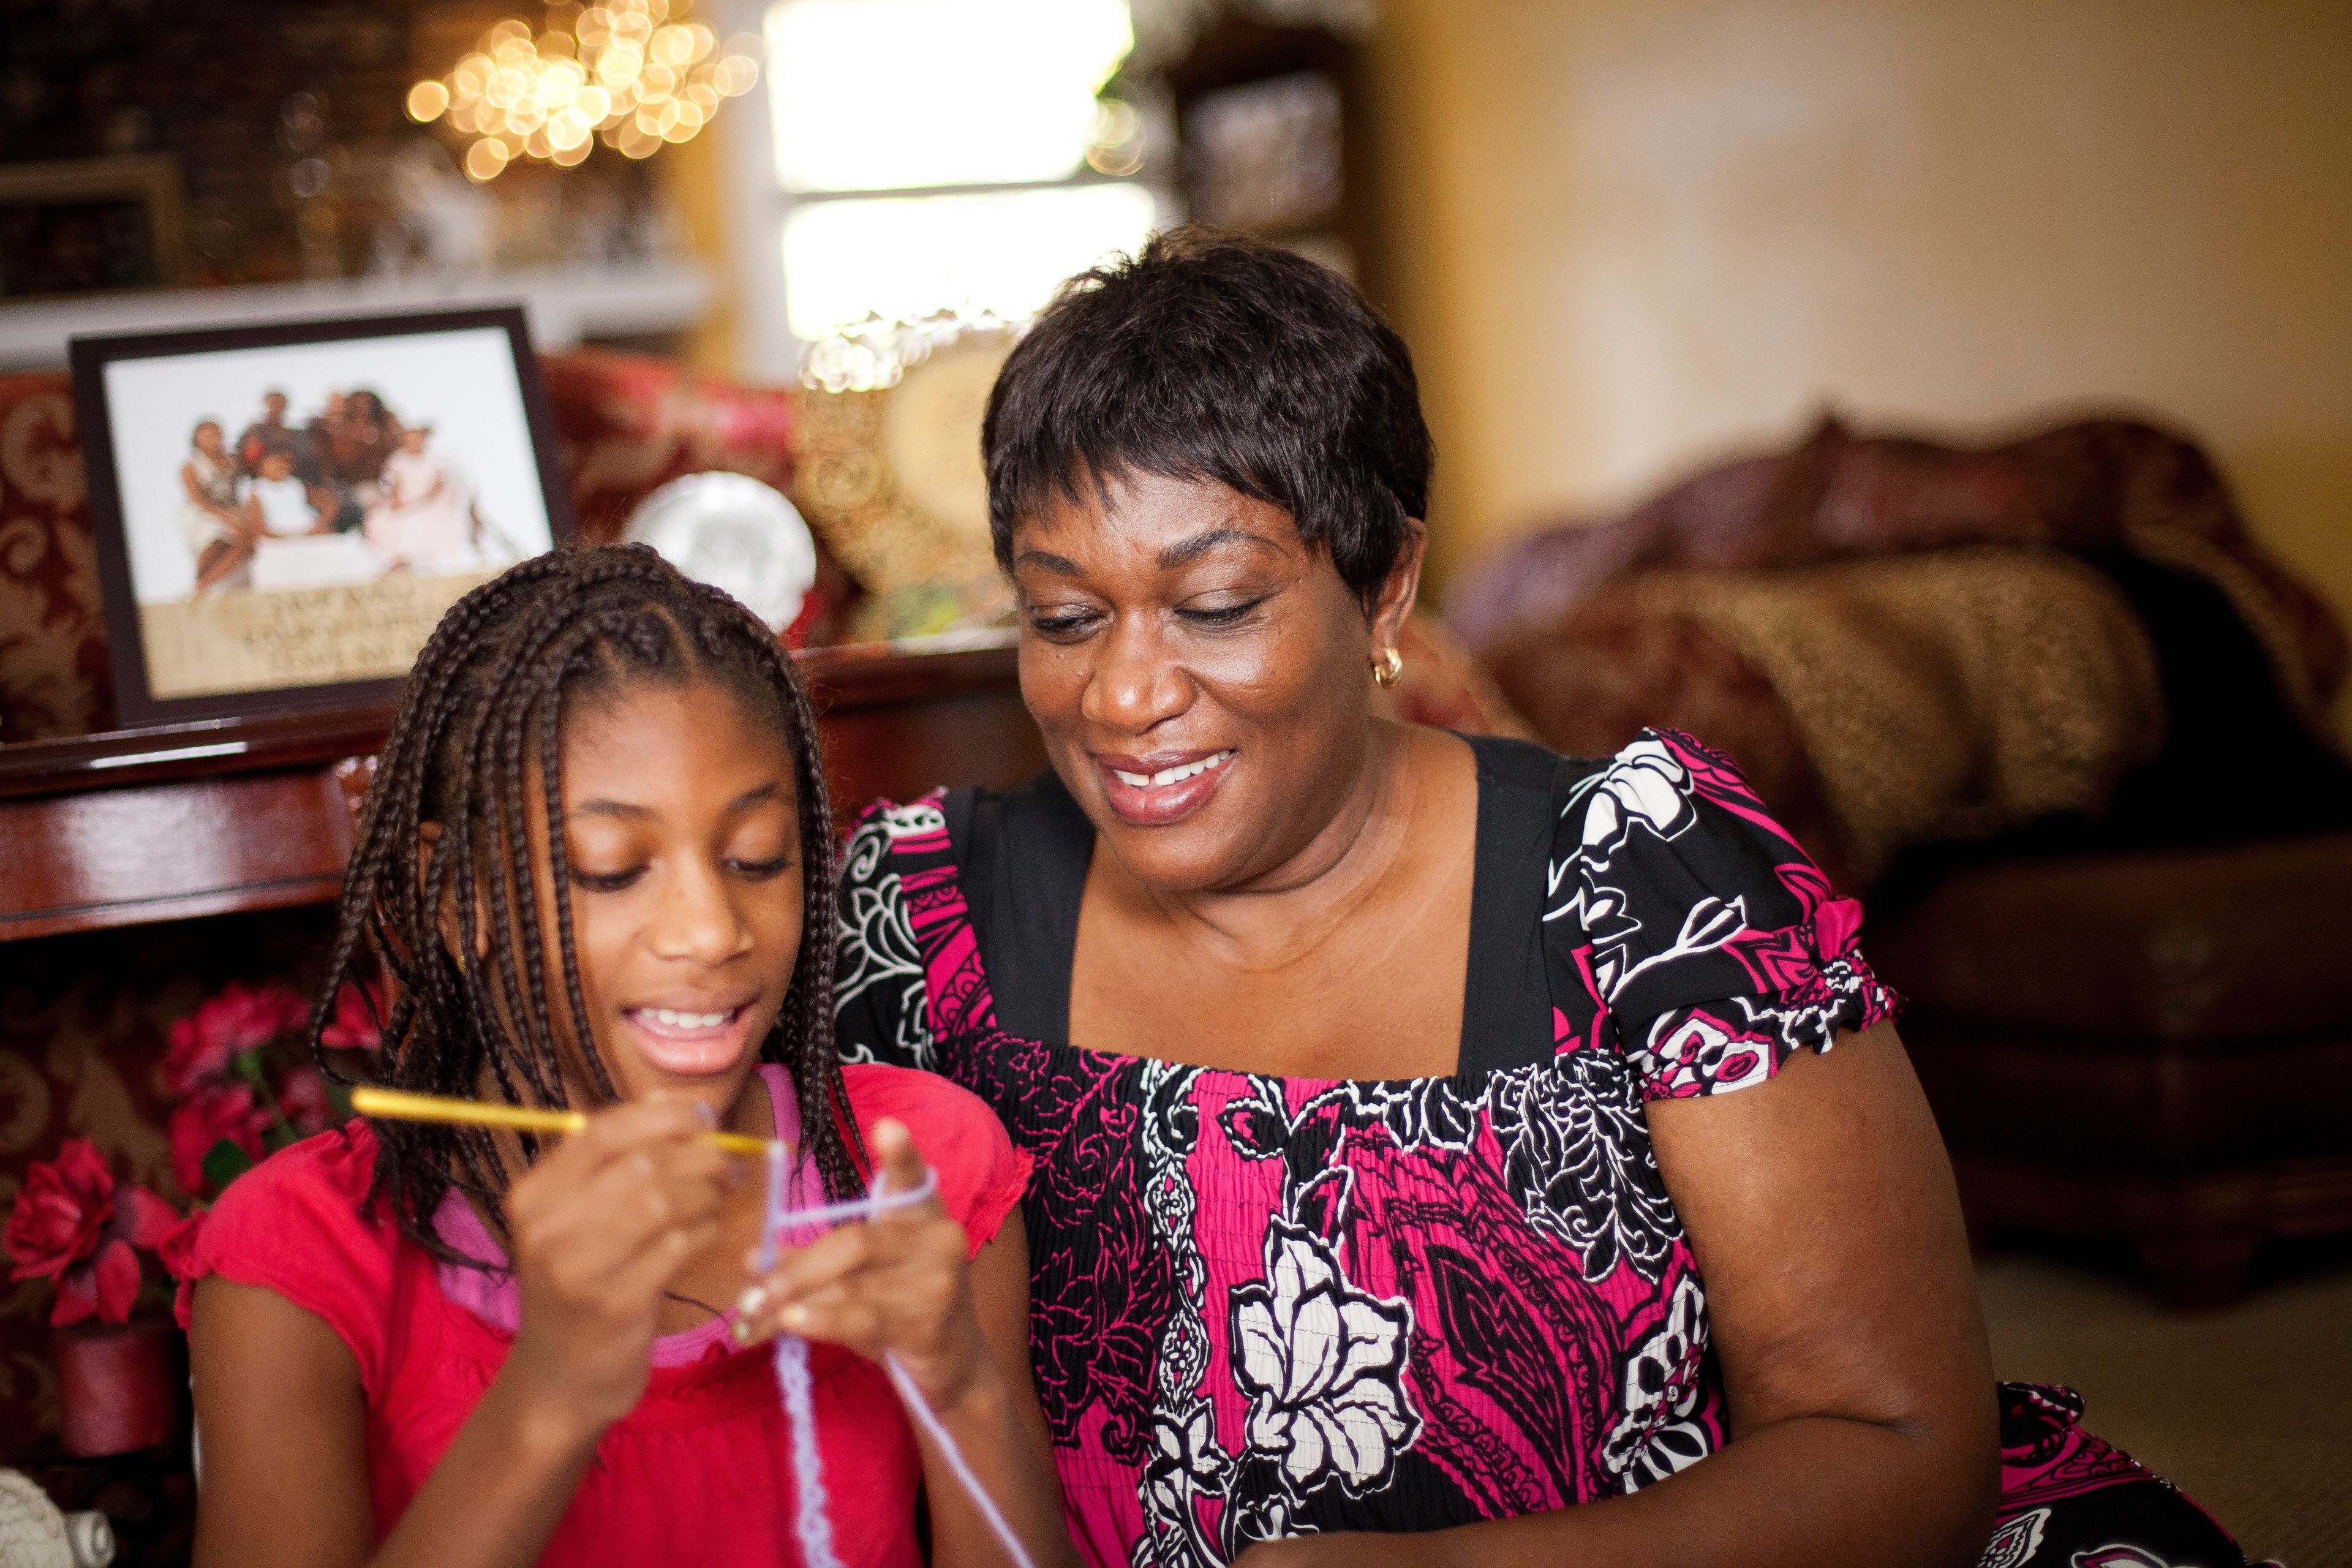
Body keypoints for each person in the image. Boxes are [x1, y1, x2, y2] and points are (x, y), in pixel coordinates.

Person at [813, 233, 2256, 1568]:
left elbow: (1895, 1445)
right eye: (1063, 616)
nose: (1121, 693)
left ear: (1385, 590)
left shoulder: (1646, 875)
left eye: (1215, 604)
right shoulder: (916, 924)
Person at [179, 546, 1075, 1568]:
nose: (710, 930)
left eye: (756, 859)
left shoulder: (919, 1166)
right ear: (455, 895)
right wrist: (550, 1395)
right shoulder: (297, 1260)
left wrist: (958, 1387)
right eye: (613, 871)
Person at [365, 425, 480, 573]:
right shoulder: (398, 460)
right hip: (404, 505)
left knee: (419, 521)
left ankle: (419, 563)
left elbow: (435, 491)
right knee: (380, 521)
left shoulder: (437, 461)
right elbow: (393, 485)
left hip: (429, 506)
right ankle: (397, 562)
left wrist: (413, 504)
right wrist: (396, 501)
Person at [176, 419, 249, 595]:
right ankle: (199, 583)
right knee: (215, 542)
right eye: (208, 436)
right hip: (201, 513)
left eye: (217, 435)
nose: (214, 439)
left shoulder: (232, 460)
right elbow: (198, 500)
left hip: (232, 510)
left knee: (245, 543)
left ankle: (203, 586)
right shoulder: (190, 466)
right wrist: (226, 517)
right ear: (197, 440)